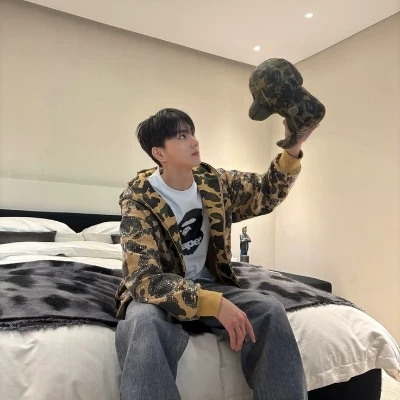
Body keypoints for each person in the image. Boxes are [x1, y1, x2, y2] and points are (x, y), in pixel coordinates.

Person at [115, 108, 319, 400]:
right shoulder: (138, 199)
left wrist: (292, 148)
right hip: (159, 294)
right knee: (142, 323)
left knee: (270, 311)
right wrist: (212, 303)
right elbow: (144, 279)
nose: (194, 141)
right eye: (181, 136)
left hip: (208, 283)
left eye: (192, 133)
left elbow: (264, 192)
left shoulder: (215, 182)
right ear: (159, 153)